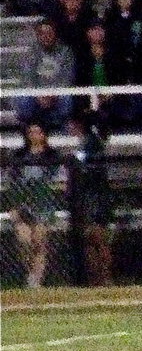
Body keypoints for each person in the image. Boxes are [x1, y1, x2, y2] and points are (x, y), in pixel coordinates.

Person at [10, 123, 64, 288]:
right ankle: (30, 273)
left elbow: (59, 181)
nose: (34, 135)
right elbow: (12, 182)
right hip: (23, 204)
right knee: (24, 241)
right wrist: (14, 206)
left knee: (39, 241)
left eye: (38, 132)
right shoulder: (19, 156)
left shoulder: (52, 156)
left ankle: (36, 280)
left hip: (43, 205)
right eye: (31, 132)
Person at [66, 109, 114, 286]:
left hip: (95, 197)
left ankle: (105, 278)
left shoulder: (91, 143)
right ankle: (95, 279)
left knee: (98, 239)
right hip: (88, 197)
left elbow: (84, 167)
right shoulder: (87, 142)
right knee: (89, 241)